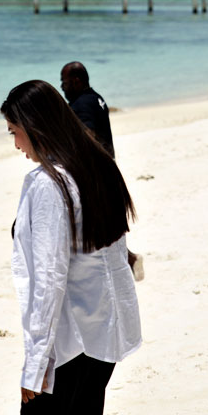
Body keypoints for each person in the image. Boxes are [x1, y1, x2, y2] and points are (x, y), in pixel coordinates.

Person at [1, 80, 142, 415]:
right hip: (104, 336)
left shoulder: (50, 184)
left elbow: (50, 279)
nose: (16, 144)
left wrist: (35, 364)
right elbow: (116, 253)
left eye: (14, 132)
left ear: (34, 128)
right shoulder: (98, 165)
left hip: (71, 343)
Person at [61, 61, 143, 281]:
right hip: (107, 171)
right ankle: (130, 260)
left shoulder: (82, 104)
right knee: (109, 228)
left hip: (97, 176)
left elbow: (89, 135)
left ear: (76, 81)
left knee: (98, 230)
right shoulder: (96, 98)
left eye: (64, 82)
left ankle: (124, 265)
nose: (62, 87)